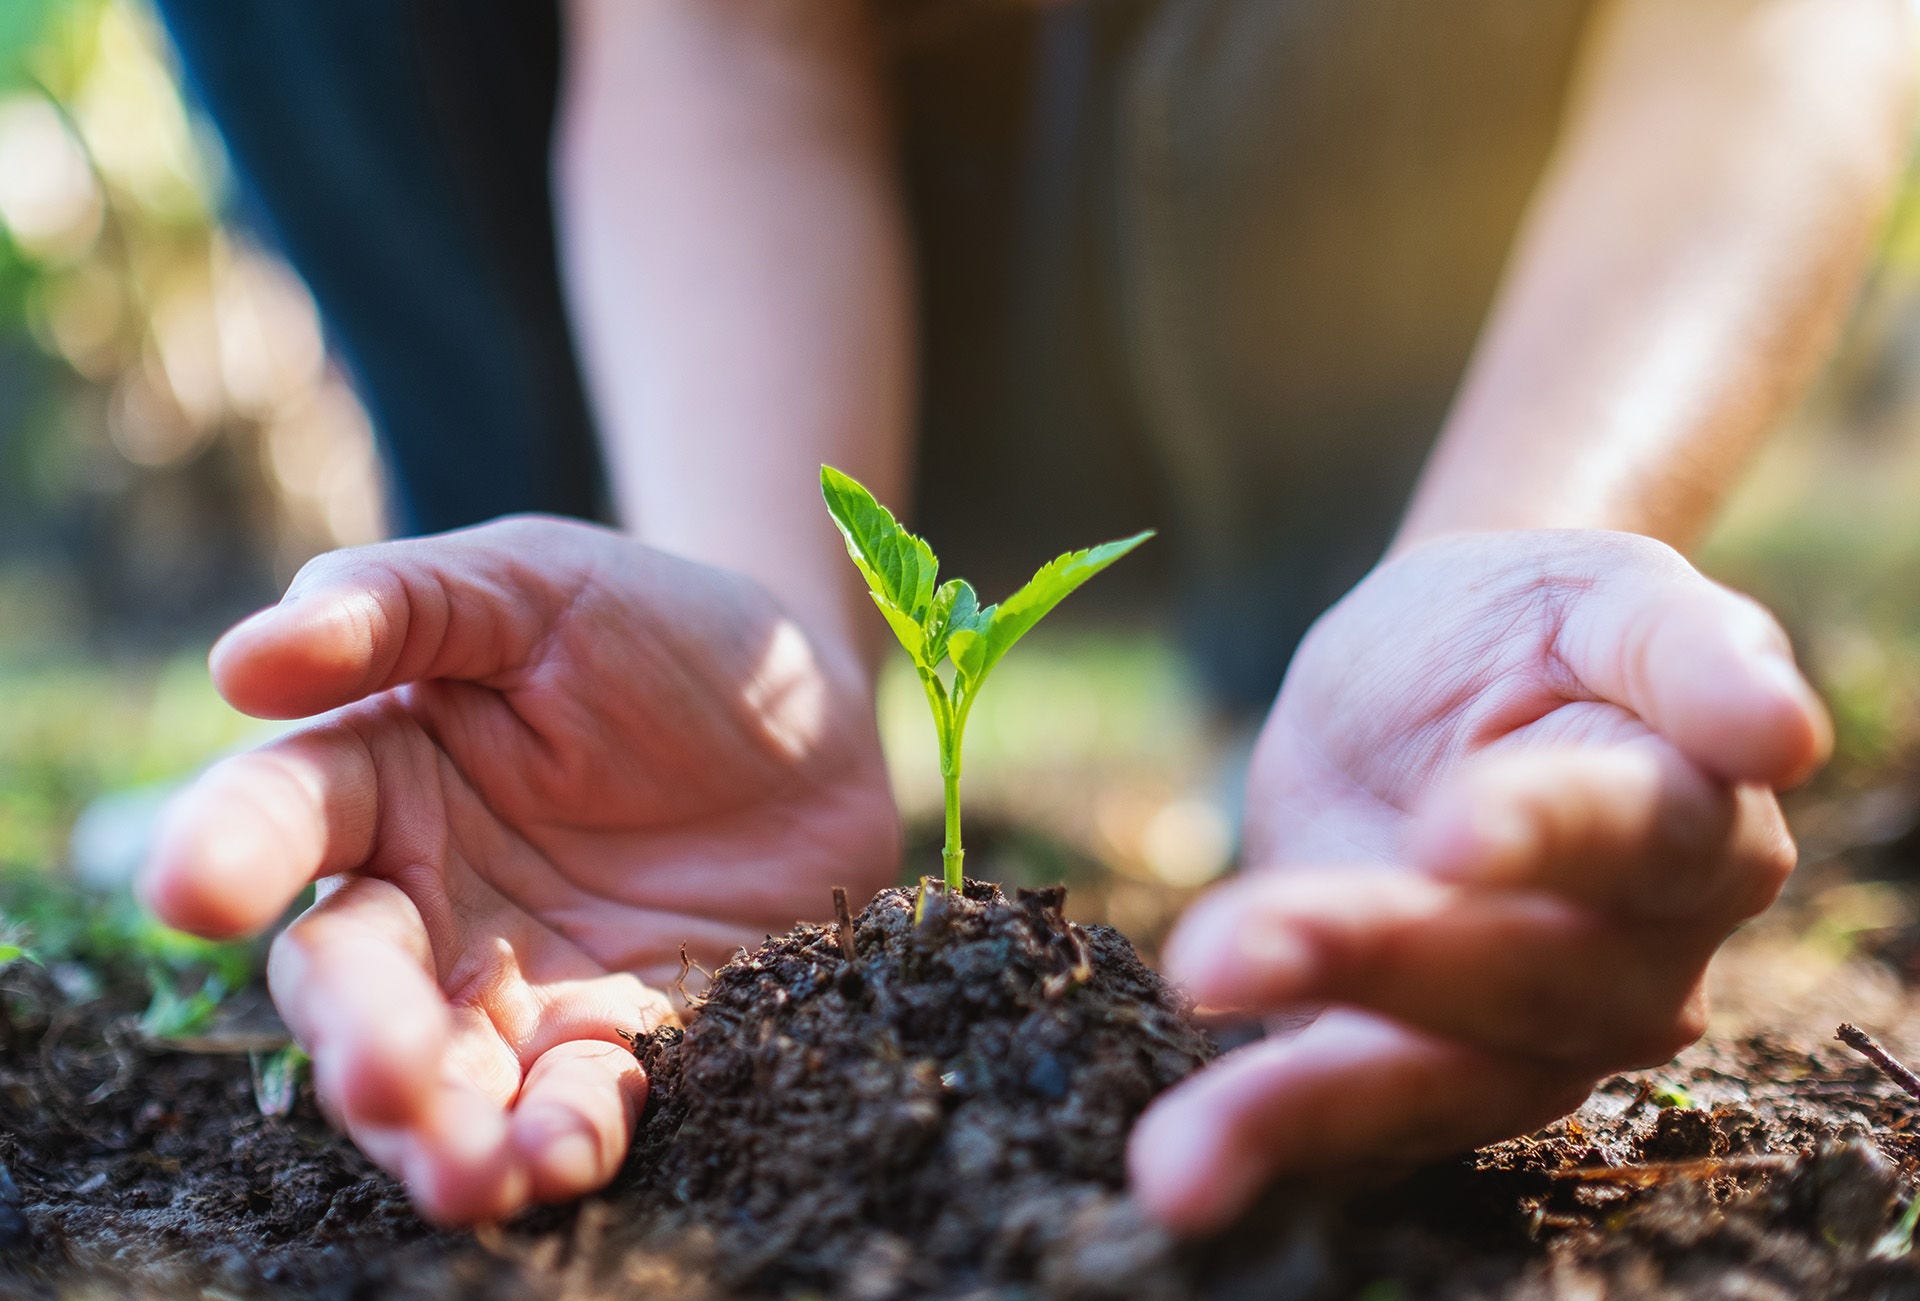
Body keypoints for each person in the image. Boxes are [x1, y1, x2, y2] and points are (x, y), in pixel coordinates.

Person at [134, 0, 1913, 1229]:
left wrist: (1526, 538)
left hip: (1368, 265)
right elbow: (724, 42)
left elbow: (1768, 37)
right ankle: (561, 684)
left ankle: (1366, 638)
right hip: (774, 301)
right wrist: (763, 628)